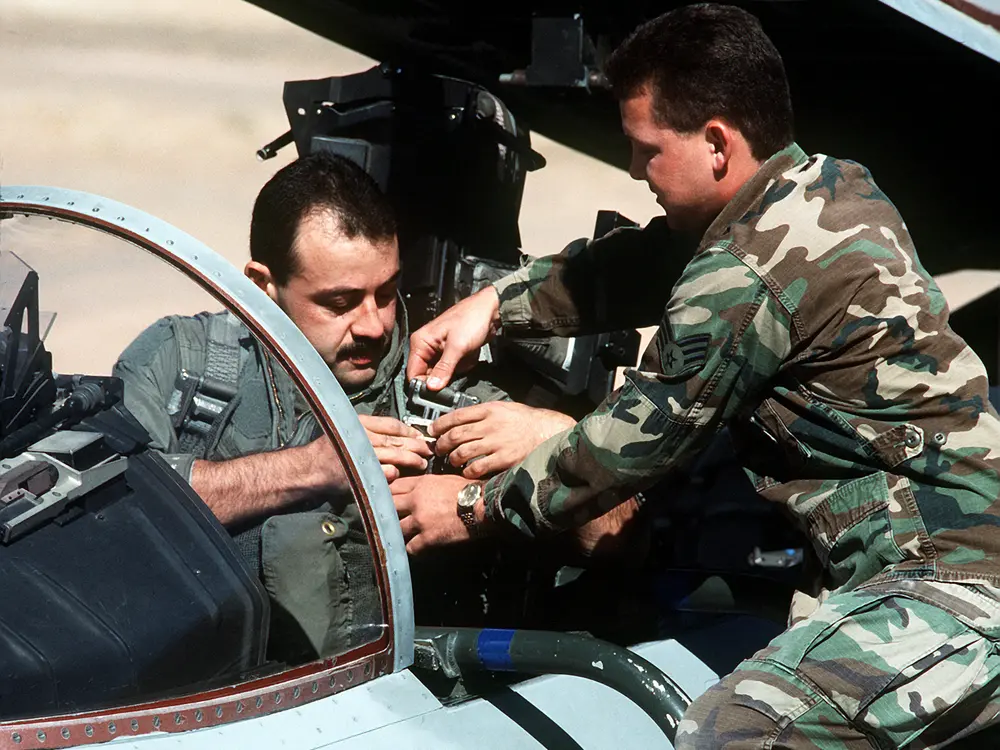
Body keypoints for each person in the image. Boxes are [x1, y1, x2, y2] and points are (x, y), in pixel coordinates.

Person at [391, 4, 1000, 747]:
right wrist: (494, 304)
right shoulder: (829, 189)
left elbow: (633, 444)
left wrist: (469, 507)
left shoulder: (747, 275)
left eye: (647, 150)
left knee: (734, 729)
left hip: (952, 580)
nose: (632, 169)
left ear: (716, 143)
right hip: (942, 558)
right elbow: (656, 259)